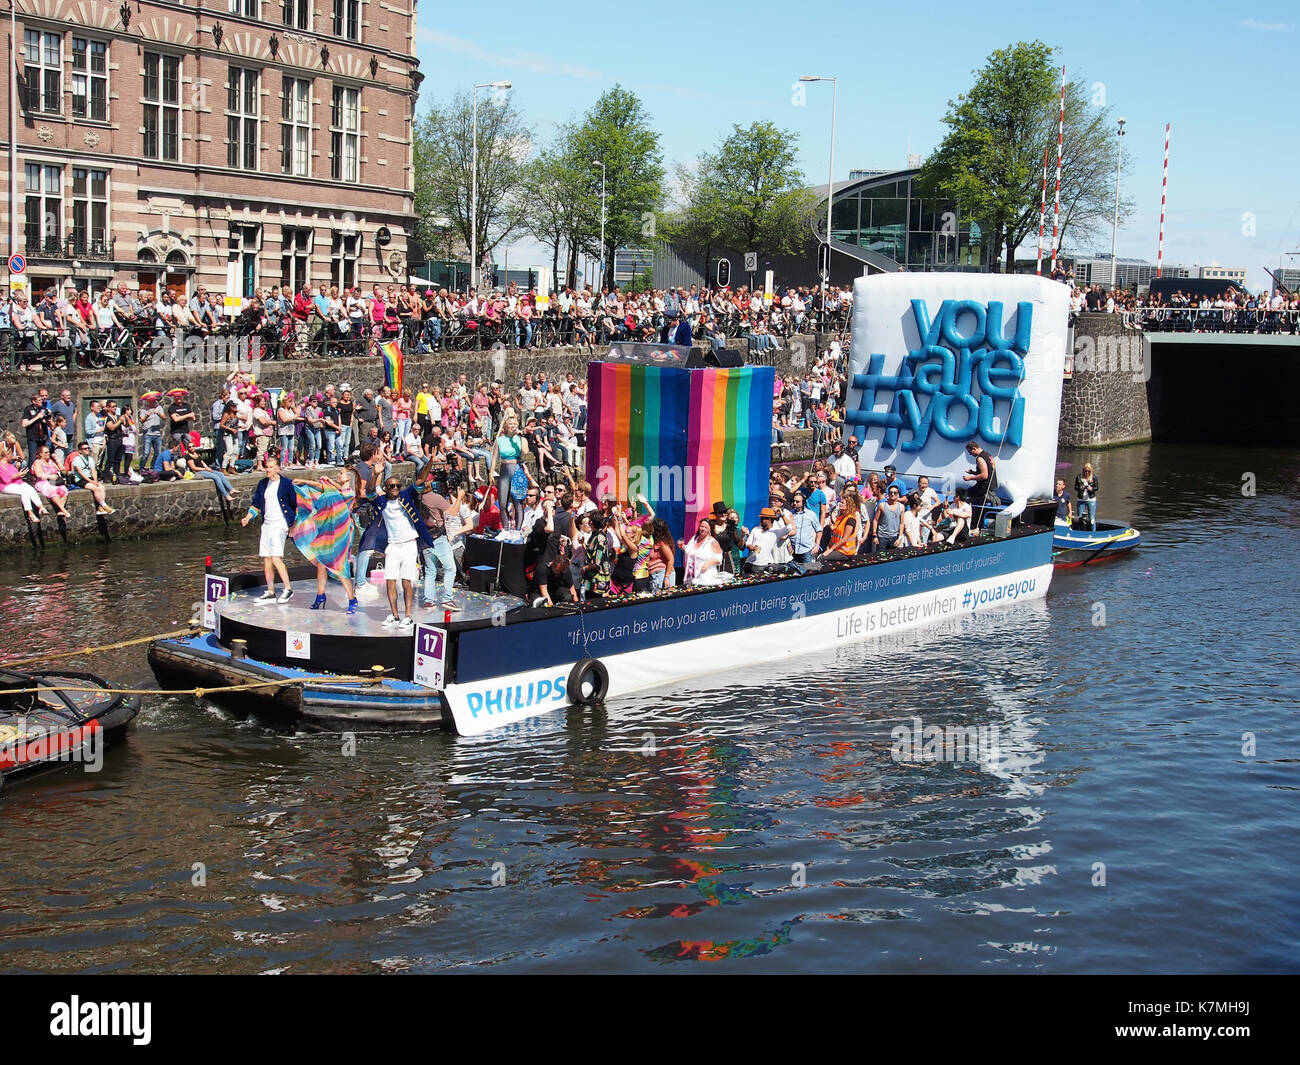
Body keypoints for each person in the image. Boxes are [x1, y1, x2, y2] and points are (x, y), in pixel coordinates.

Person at [357, 475, 434, 628]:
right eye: (392, 486)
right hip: (392, 546)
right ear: (386, 488)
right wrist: (375, 473)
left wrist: (430, 460)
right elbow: (369, 491)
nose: (395, 488)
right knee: (390, 581)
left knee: (406, 581)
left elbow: (420, 480)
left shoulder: (406, 495)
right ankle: (394, 615)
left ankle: (408, 616)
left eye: (398, 485)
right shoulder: (382, 501)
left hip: (409, 545)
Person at [241, 453, 298, 603]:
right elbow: (256, 504)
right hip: (266, 524)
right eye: (267, 467)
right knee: (266, 558)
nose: (268, 470)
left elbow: (294, 505)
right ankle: (271, 590)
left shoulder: (286, 484)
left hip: (280, 523)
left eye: (271, 467)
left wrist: (292, 525)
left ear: (277, 468)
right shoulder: (262, 484)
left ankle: (288, 588)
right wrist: (248, 516)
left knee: (275, 557)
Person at [416, 469, 461, 611]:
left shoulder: (415, 498)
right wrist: (460, 497)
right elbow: (453, 512)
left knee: (430, 570)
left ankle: (429, 601)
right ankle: (447, 599)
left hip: (424, 538)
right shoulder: (434, 497)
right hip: (438, 538)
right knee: (450, 568)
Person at [68, 440, 114, 513]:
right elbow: (80, 473)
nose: (87, 450)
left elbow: (93, 471)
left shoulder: (90, 459)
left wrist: (95, 481)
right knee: (95, 488)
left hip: (90, 478)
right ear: (80, 451)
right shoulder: (77, 460)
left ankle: (100, 507)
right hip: (80, 480)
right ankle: (105, 506)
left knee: (101, 487)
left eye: (88, 448)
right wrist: (91, 482)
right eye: (85, 448)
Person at [745, 507, 793, 574]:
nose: (762, 520)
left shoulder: (775, 532)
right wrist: (752, 547)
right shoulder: (755, 529)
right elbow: (748, 543)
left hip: (762, 565)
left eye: (764, 518)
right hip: (749, 563)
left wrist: (782, 514)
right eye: (761, 518)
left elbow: (789, 528)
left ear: (770, 519)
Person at [679, 518, 723, 585]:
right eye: (701, 526)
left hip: (705, 578)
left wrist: (708, 563)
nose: (703, 529)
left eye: (706, 527)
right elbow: (689, 550)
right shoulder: (695, 538)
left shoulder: (712, 542)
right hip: (690, 577)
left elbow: (719, 559)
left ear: (710, 530)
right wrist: (682, 546)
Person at [822, 491, 862, 562]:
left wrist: (830, 550)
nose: (840, 504)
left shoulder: (850, 520)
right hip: (837, 549)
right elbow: (835, 534)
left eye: (842, 503)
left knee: (822, 558)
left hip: (845, 552)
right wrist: (829, 546)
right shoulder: (841, 517)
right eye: (840, 502)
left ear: (848, 505)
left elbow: (845, 538)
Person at [872, 484, 905, 553]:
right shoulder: (882, 505)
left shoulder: (901, 507)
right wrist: (874, 535)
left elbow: (901, 523)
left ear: (898, 494)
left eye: (895, 493)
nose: (892, 494)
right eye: (890, 493)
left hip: (894, 537)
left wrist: (900, 537)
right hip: (882, 537)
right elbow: (875, 520)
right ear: (888, 494)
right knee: (880, 557)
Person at [1075, 463, 1098, 531]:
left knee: (1092, 519)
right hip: (1081, 499)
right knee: (1080, 518)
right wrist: (1080, 488)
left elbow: (1096, 487)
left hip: (1091, 499)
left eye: (1089, 471)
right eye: (1085, 471)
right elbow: (1075, 488)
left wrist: (1091, 489)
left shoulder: (1093, 477)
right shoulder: (1079, 477)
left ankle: (1093, 533)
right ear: (1083, 470)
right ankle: (1080, 532)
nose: (1087, 473)